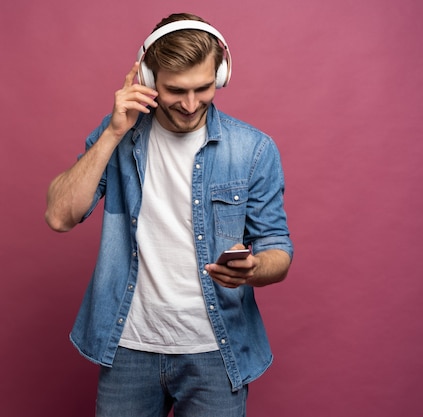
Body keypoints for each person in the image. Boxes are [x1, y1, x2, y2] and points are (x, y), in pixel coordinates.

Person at [45, 12, 293, 417]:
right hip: (128, 348)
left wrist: (252, 268)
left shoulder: (254, 150)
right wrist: (113, 131)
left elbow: (278, 250)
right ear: (147, 79)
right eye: (176, 90)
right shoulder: (117, 138)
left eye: (204, 88)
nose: (191, 104)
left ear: (223, 75)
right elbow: (59, 216)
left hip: (216, 352)